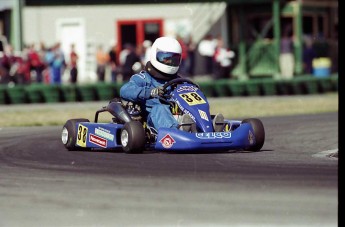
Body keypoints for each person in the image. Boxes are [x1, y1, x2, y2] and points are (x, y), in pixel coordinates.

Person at [120, 36, 224, 132]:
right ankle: (177, 130)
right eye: (166, 58)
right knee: (160, 108)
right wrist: (149, 92)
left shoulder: (178, 79)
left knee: (195, 106)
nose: (170, 62)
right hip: (152, 116)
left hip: (178, 113)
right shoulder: (143, 78)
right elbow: (125, 90)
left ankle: (208, 128)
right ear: (155, 55)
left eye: (173, 59)